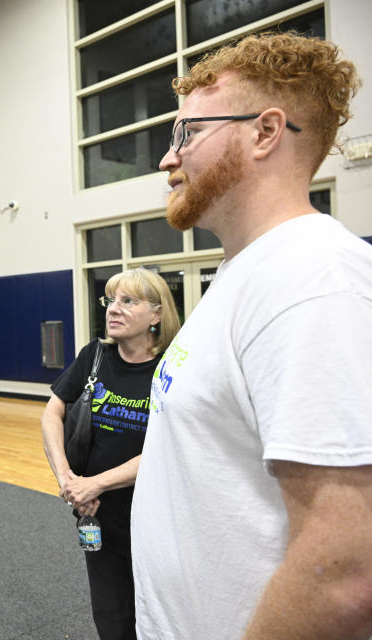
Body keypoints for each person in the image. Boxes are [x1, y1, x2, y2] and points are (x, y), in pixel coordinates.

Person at [131, 32, 372, 639]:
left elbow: (346, 574)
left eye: (187, 133)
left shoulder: (311, 278)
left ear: (265, 133)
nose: (168, 157)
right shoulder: (249, 273)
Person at [40, 268, 180, 640]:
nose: (113, 309)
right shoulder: (95, 357)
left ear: (157, 314)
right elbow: (52, 413)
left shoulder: (173, 367)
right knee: (111, 618)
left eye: (128, 301)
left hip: (157, 521)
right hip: (98, 516)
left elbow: (163, 448)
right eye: (111, 300)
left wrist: (94, 484)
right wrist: (69, 481)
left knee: (158, 619)